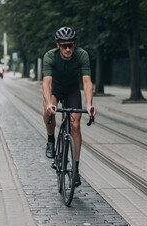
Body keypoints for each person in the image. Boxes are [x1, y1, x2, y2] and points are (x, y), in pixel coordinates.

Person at [42, 26, 96, 187]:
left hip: (72, 89)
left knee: (75, 125)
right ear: (58, 45)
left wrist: (89, 105)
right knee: (48, 110)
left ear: (74, 45)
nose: (67, 49)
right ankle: (51, 140)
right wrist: (50, 104)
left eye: (70, 45)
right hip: (56, 88)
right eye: (64, 45)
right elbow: (47, 83)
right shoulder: (50, 56)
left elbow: (86, 82)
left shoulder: (82, 55)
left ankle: (76, 170)